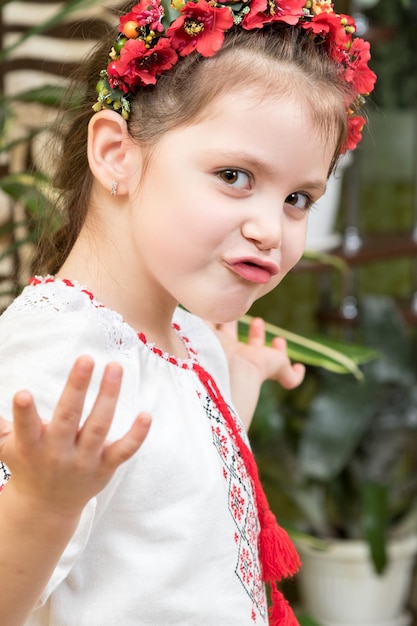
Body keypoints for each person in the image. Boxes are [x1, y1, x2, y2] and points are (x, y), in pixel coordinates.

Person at [0, 1, 376, 625]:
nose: (270, 229)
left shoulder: (187, 336)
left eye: (298, 198)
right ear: (117, 154)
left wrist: (235, 387)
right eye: (234, 175)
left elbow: (175, 501)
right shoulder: (59, 355)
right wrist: (42, 503)